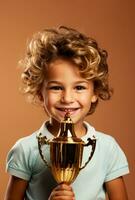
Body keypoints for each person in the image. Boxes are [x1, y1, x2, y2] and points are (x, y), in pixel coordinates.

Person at [5, 26, 129, 200]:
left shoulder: (107, 148)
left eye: (79, 87)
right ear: (40, 93)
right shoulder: (25, 150)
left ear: (95, 92)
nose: (67, 98)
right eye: (56, 87)